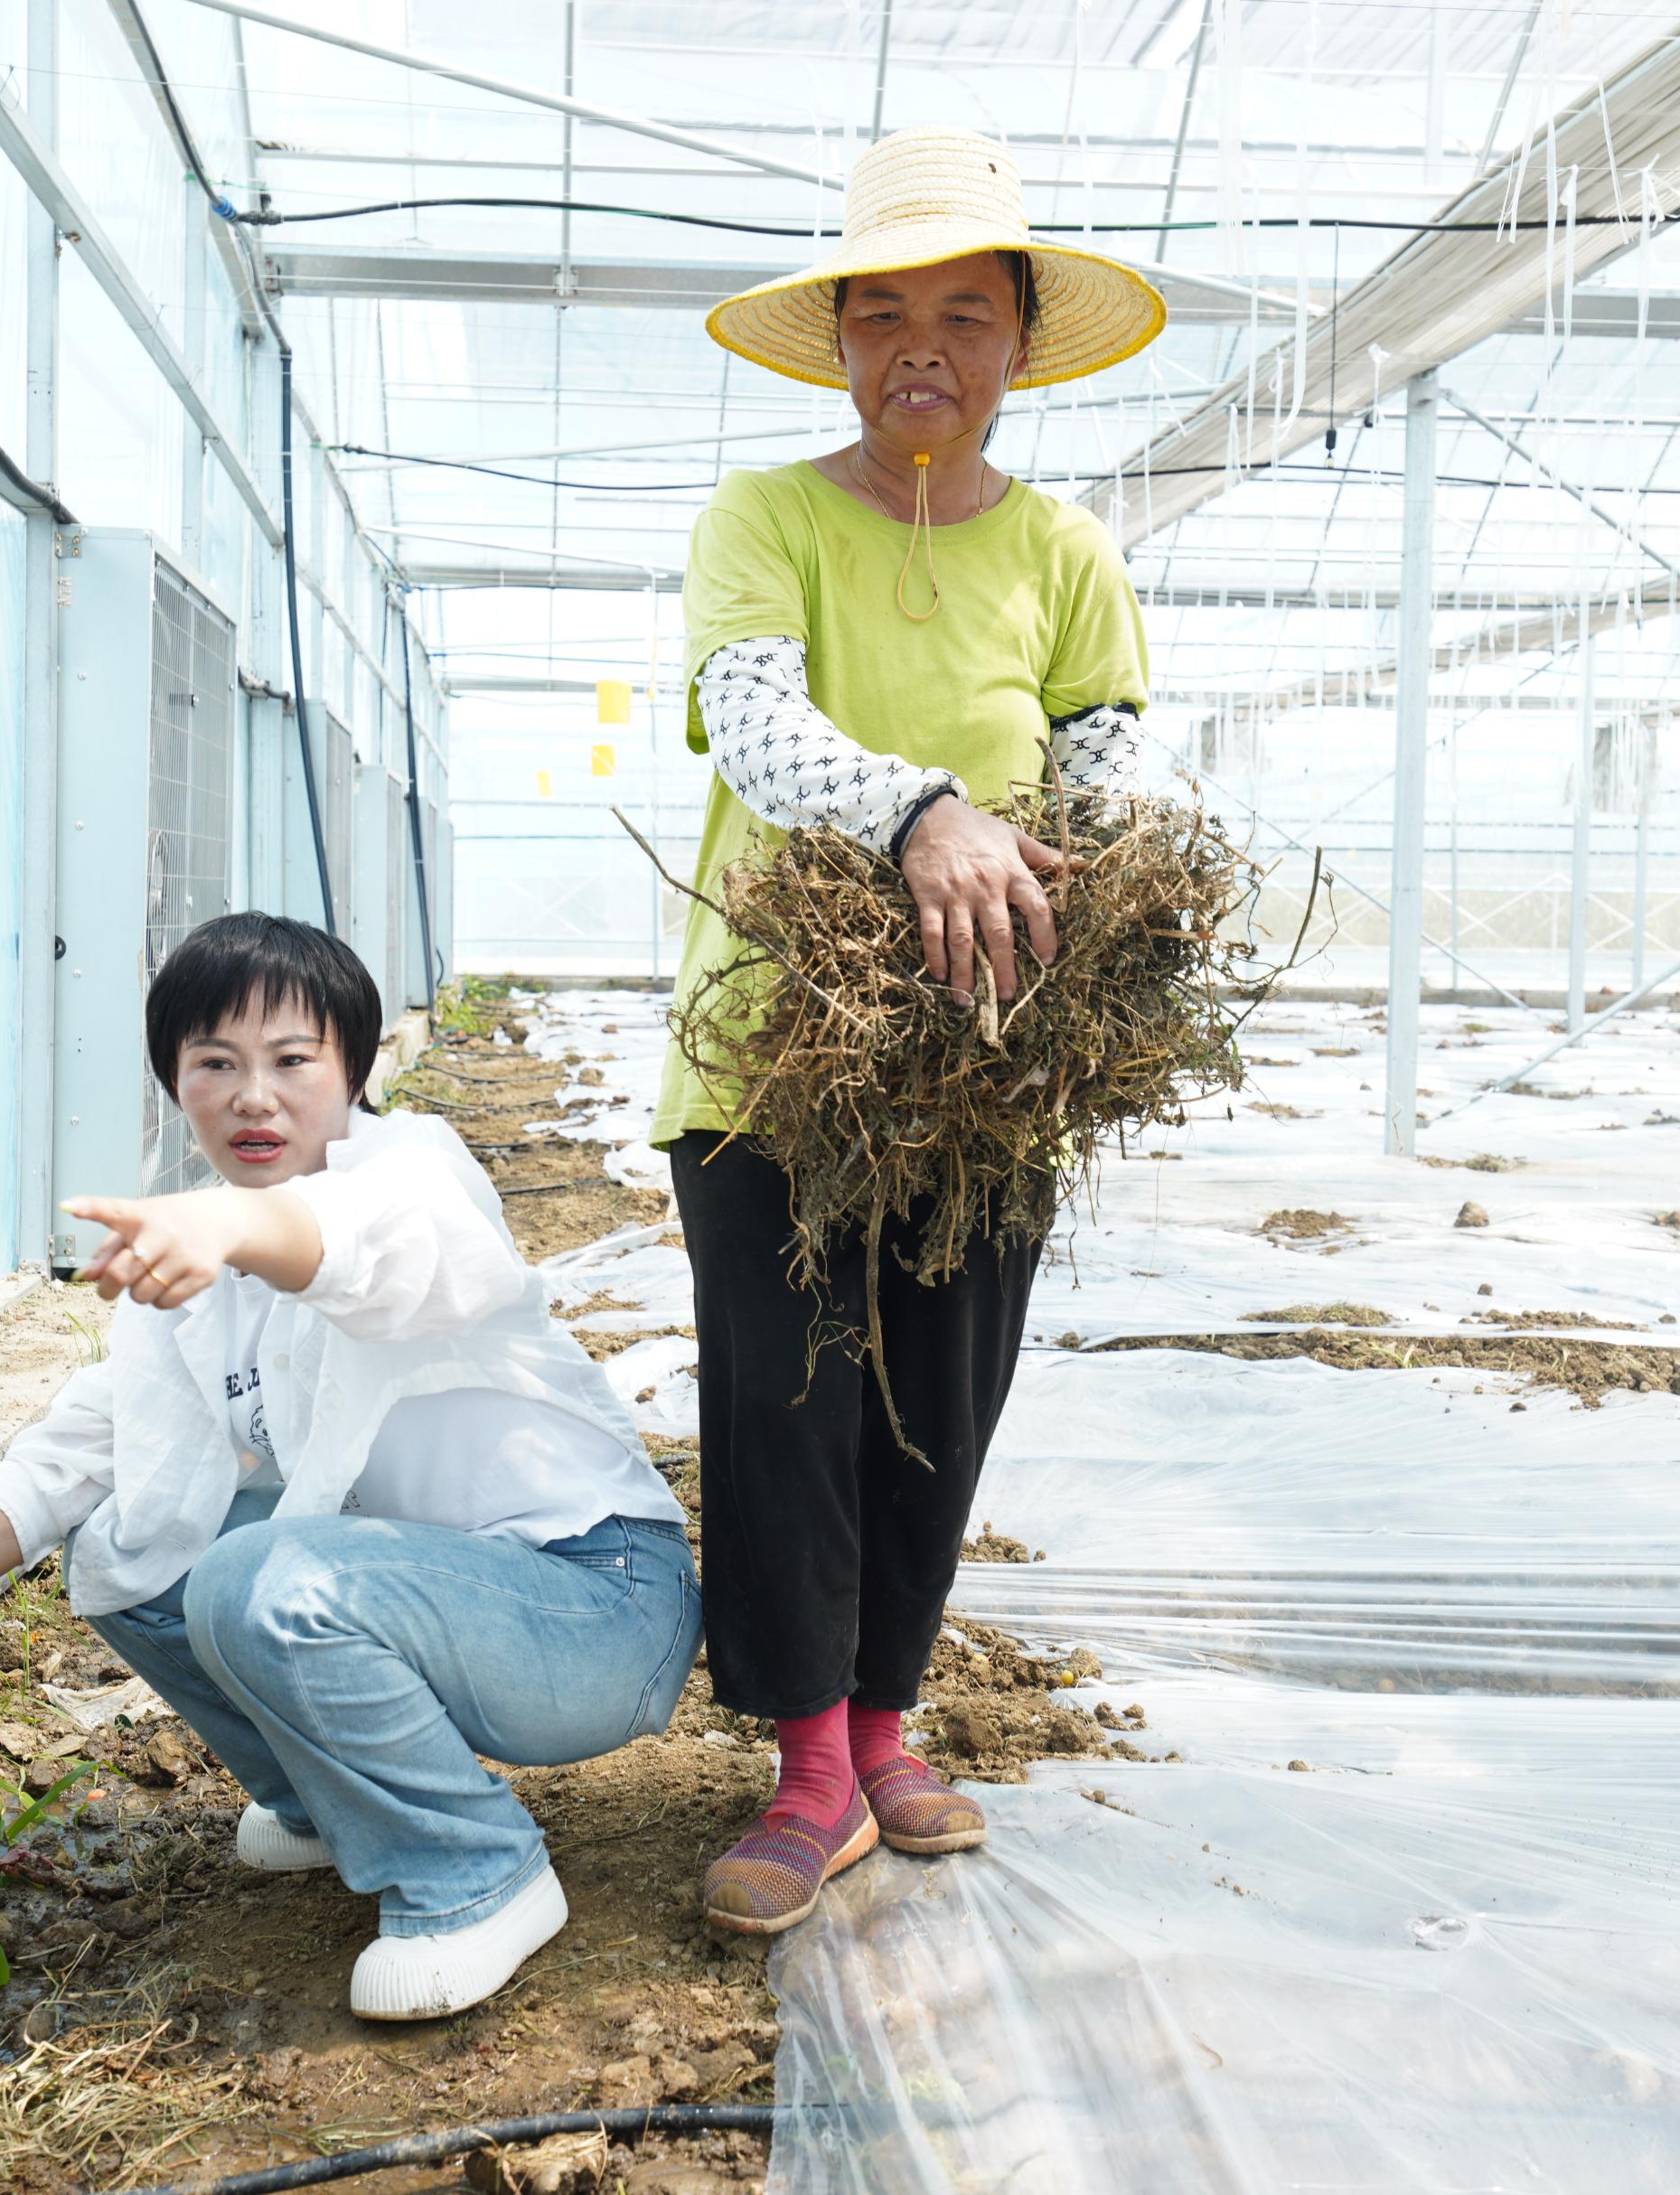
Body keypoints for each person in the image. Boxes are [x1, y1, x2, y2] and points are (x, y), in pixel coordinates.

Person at [0, 914, 698, 2020]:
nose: (254, 1094)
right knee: (132, 1550)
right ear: (173, 1081)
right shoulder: (196, 1283)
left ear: (353, 1070)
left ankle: (473, 1872)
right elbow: (68, 1458)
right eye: (214, 1063)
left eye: (293, 1060)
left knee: (262, 1578)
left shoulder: (409, 1171)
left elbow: (366, 1246)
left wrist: (229, 1225)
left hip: (595, 1606)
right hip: (437, 1597)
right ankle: (326, 1800)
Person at [668, 127, 1169, 1933]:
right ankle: (804, 1762)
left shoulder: (1068, 551)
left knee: (935, 1405)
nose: (922, 354)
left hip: (984, 1068)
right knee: (785, 1401)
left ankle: (887, 1722)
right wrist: (926, 812)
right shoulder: (765, 519)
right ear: (841, 346)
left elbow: (1108, 781)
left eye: (965, 315)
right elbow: (752, 723)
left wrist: (1089, 918)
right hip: (765, 1058)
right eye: (883, 319)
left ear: (1022, 342)